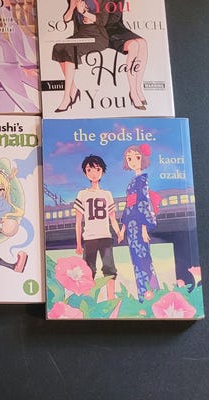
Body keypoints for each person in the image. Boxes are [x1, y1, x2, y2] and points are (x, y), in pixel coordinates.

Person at [74, 155, 122, 300]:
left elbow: (112, 218)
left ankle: (111, 300)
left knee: (109, 269)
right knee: (88, 270)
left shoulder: (107, 194)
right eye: (89, 170)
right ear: (85, 173)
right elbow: (78, 221)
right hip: (89, 238)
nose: (94, 173)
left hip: (106, 237)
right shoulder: (82, 194)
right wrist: (78, 243)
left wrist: (118, 232)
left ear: (102, 171)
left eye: (97, 169)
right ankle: (88, 301)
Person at [51, 0, 110, 112]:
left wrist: (84, 12)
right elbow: (66, 19)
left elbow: (102, 21)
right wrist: (72, 7)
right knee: (58, 47)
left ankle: (66, 97)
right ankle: (73, 89)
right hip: (81, 34)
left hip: (97, 36)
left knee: (70, 50)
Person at [120, 144, 160, 302]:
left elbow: (143, 202)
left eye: (136, 157)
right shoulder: (133, 181)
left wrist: (144, 228)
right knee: (136, 260)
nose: (133, 161)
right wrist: (123, 229)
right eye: (129, 158)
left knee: (144, 258)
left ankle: (152, 294)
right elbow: (128, 206)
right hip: (131, 225)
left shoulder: (142, 180)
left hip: (138, 224)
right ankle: (143, 295)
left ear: (142, 159)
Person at [105, 0, 148, 110]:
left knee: (142, 43)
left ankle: (138, 88)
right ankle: (133, 92)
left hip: (118, 28)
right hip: (103, 31)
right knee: (133, 45)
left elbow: (117, 18)